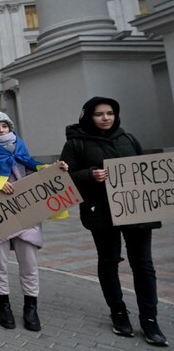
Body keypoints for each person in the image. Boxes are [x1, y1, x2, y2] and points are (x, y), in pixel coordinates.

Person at [60, 97, 169, 347]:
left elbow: (145, 172)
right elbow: (65, 178)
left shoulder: (128, 139)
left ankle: (150, 319)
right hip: (102, 213)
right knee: (109, 262)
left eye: (110, 113)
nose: (106, 118)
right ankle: (118, 313)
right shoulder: (75, 143)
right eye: (99, 114)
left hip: (137, 211)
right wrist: (89, 174)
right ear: (88, 116)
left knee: (143, 265)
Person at [0, 107, 68, 332]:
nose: (1, 130)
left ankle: (30, 307)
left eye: (4, 125)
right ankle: (4, 305)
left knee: (29, 262)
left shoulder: (20, 146)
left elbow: (33, 167)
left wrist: (56, 169)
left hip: (25, 211)